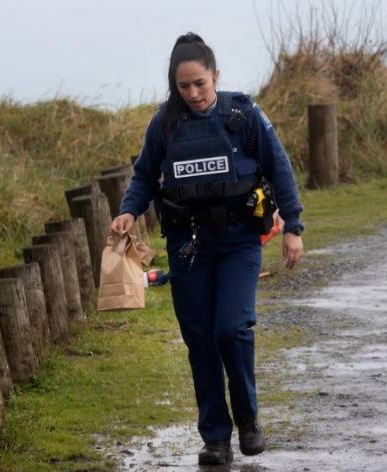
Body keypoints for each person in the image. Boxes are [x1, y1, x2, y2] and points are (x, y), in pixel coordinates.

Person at [110, 32, 305, 466]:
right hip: (187, 246)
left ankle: (249, 420)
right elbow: (143, 176)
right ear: (174, 85)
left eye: (200, 83)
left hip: (238, 241)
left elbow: (279, 166)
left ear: (216, 75)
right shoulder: (164, 124)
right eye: (184, 86)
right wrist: (129, 211)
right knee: (200, 340)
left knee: (231, 330)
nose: (194, 94)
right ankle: (215, 438)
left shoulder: (245, 114)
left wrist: (293, 226)